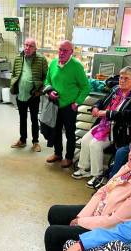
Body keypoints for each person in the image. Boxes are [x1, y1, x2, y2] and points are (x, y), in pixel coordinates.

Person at [72, 66, 131, 188]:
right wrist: (95, 107)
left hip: (118, 130)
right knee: (85, 140)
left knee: (95, 145)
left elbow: (128, 115)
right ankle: (83, 168)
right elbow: (102, 101)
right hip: (103, 124)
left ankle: (97, 175)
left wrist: (107, 113)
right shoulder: (116, 89)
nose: (122, 80)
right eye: (121, 78)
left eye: (126, 78)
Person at [45, 40, 90, 168]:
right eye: (60, 49)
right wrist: (50, 91)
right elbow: (47, 80)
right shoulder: (53, 63)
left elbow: (86, 87)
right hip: (55, 104)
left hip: (69, 106)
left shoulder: (76, 66)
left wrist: (77, 102)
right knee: (56, 130)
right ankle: (57, 153)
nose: (61, 53)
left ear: (71, 52)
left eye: (65, 50)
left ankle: (69, 157)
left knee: (70, 133)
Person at [10, 38, 48, 152]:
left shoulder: (41, 59)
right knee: (22, 118)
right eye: (26, 45)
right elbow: (14, 74)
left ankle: (35, 142)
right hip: (21, 94)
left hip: (33, 95)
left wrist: (40, 91)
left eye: (31, 46)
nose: (27, 48)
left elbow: (46, 77)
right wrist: (13, 85)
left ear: (35, 48)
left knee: (34, 119)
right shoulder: (18, 58)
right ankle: (22, 140)